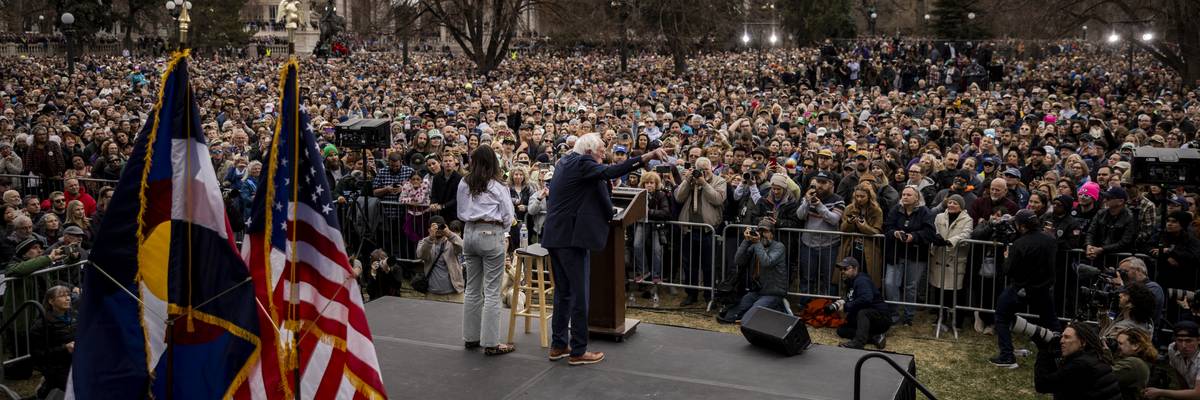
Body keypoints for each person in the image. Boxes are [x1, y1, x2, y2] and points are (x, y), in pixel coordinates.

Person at [541, 133, 665, 366]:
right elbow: (610, 172)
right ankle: (578, 350)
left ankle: (558, 345)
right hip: (571, 240)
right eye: (600, 152)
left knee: (563, 293)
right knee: (579, 295)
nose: (603, 156)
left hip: (555, 237)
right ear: (589, 152)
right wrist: (646, 156)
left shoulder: (565, 162)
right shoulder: (582, 163)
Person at [456, 145, 517, 356]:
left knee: (472, 288)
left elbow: (461, 211)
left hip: (470, 232)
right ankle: (491, 342)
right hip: (491, 233)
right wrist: (505, 233)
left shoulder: (464, 182)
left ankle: (470, 338)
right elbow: (508, 215)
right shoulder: (497, 185)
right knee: (492, 291)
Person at [991, 209, 1060, 368]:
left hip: (1021, 288)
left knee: (1001, 316)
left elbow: (1008, 270)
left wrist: (1007, 257)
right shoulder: (1050, 240)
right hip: (1044, 289)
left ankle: (1007, 356)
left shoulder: (1020, 244)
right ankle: (1061, 353)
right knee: (1051, 321)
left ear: (1022, 226)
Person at [674, 155, 727, 307]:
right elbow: (678, 197)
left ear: (711, 168)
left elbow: (717, 199)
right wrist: (687, 180)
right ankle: (691, 294)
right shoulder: (690, 181)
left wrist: (704, 183)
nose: (703, 172)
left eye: (706, 169)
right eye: (700, 170)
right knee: (689, 265)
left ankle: (709, 295)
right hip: (689, 230)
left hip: (708, 232)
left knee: (708, 265)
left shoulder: (719, 181)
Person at [716, 217, 787, 323]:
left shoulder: (779, 247)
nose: (762, 234)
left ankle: (779, 307)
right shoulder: (755, 246)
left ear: (772, 233)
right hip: (757, 292)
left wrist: (757, 243)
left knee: (747, 320)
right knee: (729, 316)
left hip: (773, 293)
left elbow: (766, 262)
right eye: (760, 231)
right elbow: (738, 260)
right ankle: (763, 311)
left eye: (765, 231)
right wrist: (746, 241)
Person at [882, 185, 935, 325]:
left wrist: (914, 236)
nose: (905, 197)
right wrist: (894, 233)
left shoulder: (925, 212)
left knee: (911, 287)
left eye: (908, 195)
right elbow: (887, 227)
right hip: (896, 253)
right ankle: (893, 313)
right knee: (890, 283)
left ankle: (908, 316)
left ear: (916, 197)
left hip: (916, 255)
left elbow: (929, 232)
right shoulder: (896, 209)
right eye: (903, 194)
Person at [1033, 321, 1122, 399]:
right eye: (1062, 336)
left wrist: (1043, 349)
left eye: (1067, 337)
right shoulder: (1097, 356)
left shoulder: (1081, 364)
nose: (1061, 341)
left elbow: (1042, 385)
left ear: (1083, 342)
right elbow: (1058, 378)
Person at [929, 194, 974, 334]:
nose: (951, 205)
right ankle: (940, 318)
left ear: (961, 206)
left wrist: (951, 241)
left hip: (955, 259)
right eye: (950, 202)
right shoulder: (939, 217)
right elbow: (934, 229)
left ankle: (957, 320)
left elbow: (966, 234)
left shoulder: (967, 220)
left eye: (955, 203)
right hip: (939, 258)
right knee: (939, 290)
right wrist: (936, 237)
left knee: (955, 292)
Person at [796, 171, 845, 298]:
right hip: (808, 245)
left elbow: (834, 219)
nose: (820, 185)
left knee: (829, 280)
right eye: (818, 182)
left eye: (824, 183)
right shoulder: (808, 196)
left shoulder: (838, 200)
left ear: (831, 184)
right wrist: (807, 201)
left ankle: (827, 308)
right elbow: (800, 215)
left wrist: (818, 205)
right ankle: (805, 306)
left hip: (829, 246)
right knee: (807, 278)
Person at [832, 256, 892, 350]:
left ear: (855, 268)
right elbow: (853, 300)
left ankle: (858, 343)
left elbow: (866, 299)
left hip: (880, 318)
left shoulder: (862, 280)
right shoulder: (849, 282)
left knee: (863, 312)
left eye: (845, 268)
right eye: (841, 269)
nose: (842, 271)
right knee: (842, 330)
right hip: (867, 318)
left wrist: (846, 306)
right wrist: (842, 303)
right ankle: (875, 337)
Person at [30, 285, 76, 399]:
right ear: (51, 301)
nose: (68, 298)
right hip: (57, 367)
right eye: (62, 296)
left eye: (68, 295)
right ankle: (45, 388)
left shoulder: (75, 316)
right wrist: (65, 348)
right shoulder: (41, 325)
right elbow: (38, 354)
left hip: (76, 361)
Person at [1144, 321, 1200, 399]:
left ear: (1198, 340)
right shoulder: (1172, 349)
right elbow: (1179, 372)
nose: (1184, 346)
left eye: (1188, 341)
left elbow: (1197, 394)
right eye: (1180, 340)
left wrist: (1161, 392)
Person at [415, 216, 465, 295]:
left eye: (440, 226)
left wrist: (449, 233)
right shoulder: (424, 242)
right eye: (435, 227)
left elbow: (463, 247)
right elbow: (421, 255)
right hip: (432, 294)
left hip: (455, 294)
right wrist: (430, 239)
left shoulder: (452, 242)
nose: (438, 230)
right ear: (429, 230)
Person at [1112, 329, 1157, 400]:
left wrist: (1104, 352)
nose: (1116, 346)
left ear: (1135, 345)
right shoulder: (1135, 361)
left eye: (1120, 343)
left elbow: (1105, 376)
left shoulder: (1134, 363)